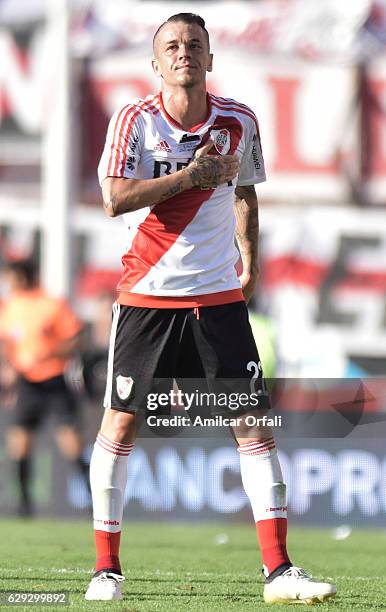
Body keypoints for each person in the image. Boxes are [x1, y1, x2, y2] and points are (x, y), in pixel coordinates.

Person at [86, 13, 337, 604]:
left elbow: (244, 192)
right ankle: (106, 570)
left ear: (210, 58)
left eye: (194, 45)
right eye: (172, 46)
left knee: (251, 425)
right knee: (120, 424)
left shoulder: (238, 120)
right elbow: (114, 198)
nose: (184, 54)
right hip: (148, 294)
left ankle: (279, 571)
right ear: (156, 63)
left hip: (219, 297)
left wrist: (250, 261)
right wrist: (190, 177)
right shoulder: (136, 122)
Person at [0, 259, 88, 516]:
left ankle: (94, 500)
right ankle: (24, 506)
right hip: (27, 383)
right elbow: (8, 342)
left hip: (54, 380)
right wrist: (9, 368)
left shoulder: (51, 304)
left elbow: (77, 339)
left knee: (70, 444)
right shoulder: (11, 306)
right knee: (19, 442)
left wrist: (49, 353)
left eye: (12, 277)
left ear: (23, 276)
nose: (9, 282)